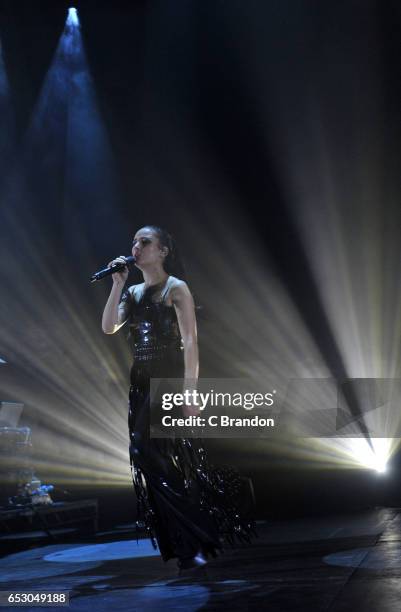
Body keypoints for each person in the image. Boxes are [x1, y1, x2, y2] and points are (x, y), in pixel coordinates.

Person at [102, 225, 254, 572]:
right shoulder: (134, 292)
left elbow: (191, 342)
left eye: (145, 242)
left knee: (144, 450)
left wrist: (190, 391)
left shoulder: (176, 288)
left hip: (167, 378)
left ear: (163, 250)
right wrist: (116, 285)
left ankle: (200, 526)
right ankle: (190, 543)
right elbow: (109, 326)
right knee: (150, 457)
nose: (136, 248)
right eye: (134, 243)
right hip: (140, 380)